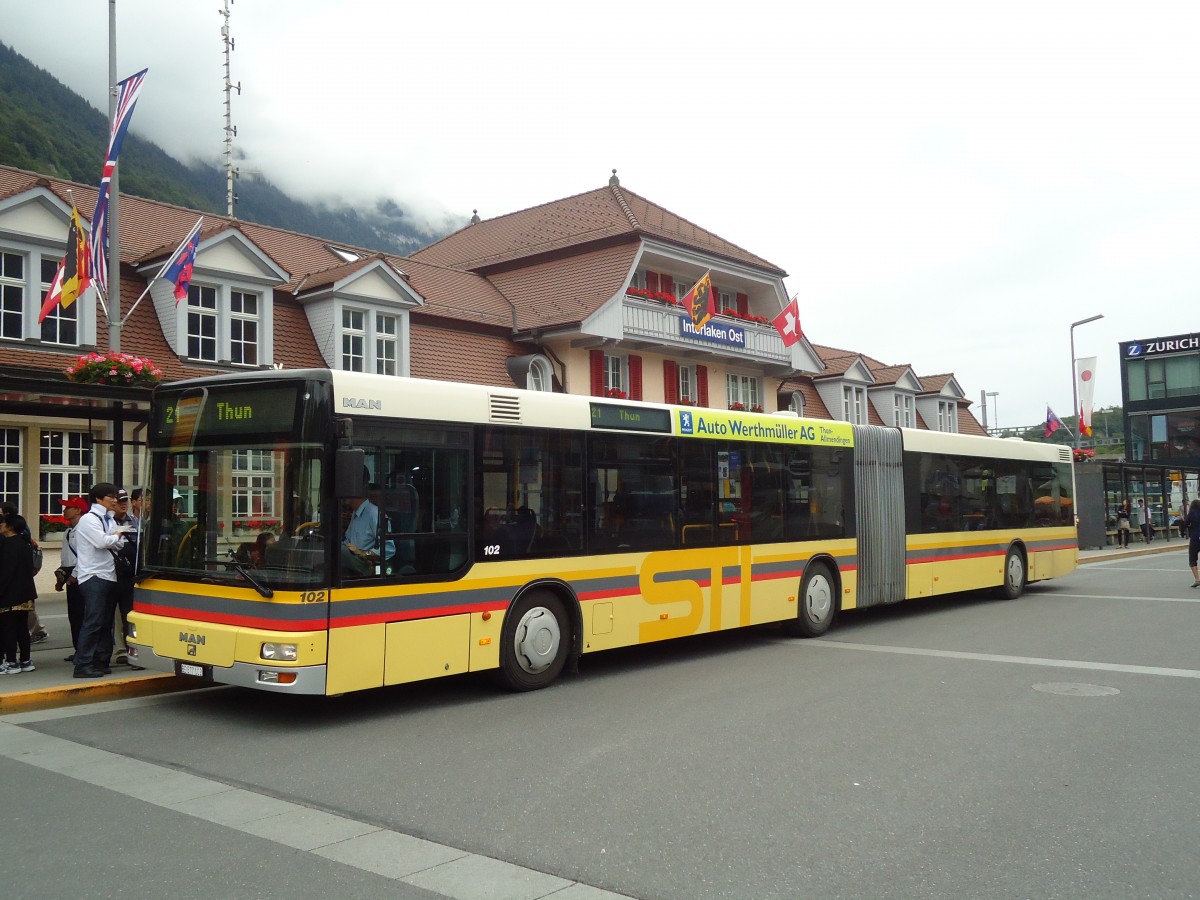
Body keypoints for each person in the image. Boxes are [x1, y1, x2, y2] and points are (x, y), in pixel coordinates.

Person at [72, 482, 130, 678]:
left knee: (105, 622)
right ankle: (82, 664)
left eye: (115, 496)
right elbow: (102, 542)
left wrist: (114, 536)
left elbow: (118, 544)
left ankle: (100, 661)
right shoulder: (89, 519)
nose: (115, 500)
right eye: (110, 496)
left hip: (108, 574)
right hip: (93, 576)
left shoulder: (109, 519)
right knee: (93, 621)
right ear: (98, 499)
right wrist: (116, 535)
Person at [1, 501, 46, 643]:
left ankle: (12, 659)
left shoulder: (13, 541)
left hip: (14, 586)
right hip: (22, 585)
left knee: (16, 620)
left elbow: (9, 568)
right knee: (22, 617)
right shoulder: (21, 539)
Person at [0, 513, 38, 674]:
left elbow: (6, 572)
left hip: (10, 593)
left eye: (3, 523)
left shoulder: (8, 545)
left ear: (10, 526)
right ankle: (25, 660)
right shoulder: (25, 544)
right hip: (25, 592)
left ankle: (11, 662)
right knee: (22, 628)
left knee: (8, 628)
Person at [55, 496, 88, 658]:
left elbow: (85, 555)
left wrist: (74, 575)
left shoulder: (83, 529)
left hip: (81, 577)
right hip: (70, 576)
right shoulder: (68, 531)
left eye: (68, 507)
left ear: (78, 510)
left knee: (82, 615)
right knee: (74, 615)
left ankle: (85, 650)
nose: (64, 510)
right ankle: (78, 649)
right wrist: (61, 577)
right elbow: (66, 557)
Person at [111, 488, 140, 666]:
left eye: (125, 501)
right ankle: (120, 650)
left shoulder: (136, 522)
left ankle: (132, 649)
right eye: (120, 501)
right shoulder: (106, 523)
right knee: (114, 617)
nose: (123, 504)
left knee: (129, 615)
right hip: (113, 575)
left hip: (130, 576)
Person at [1185, 498, 1200, 588]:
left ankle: (1197, 579)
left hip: (1195, 537)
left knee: (1193, 558)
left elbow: (1186, 523)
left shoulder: (1192, 513)